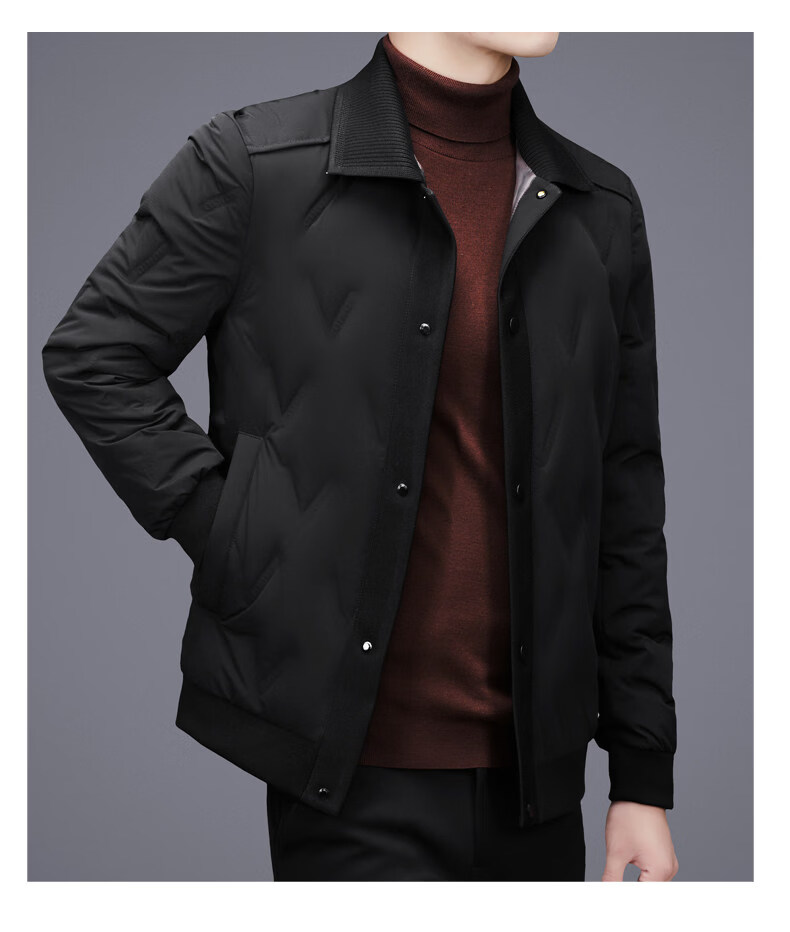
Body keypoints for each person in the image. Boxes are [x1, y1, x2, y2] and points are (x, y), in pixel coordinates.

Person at [41, 32, 679, 882]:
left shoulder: (598, 207)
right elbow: (94, 355)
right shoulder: (257, 163)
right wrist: (235, 531)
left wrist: (641, 777)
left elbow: (625, 499)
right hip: (349, 787)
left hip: (540, 794)